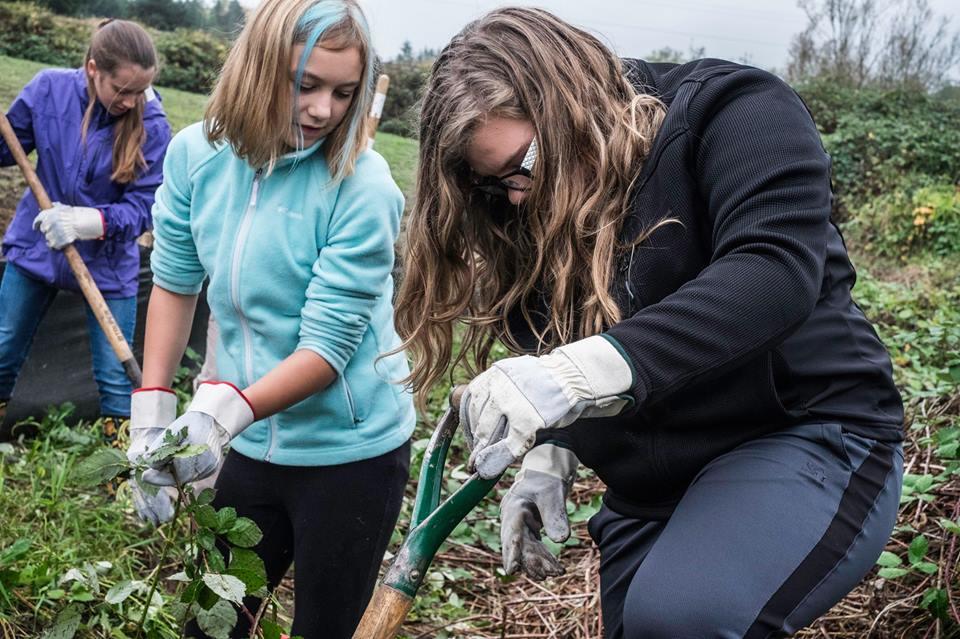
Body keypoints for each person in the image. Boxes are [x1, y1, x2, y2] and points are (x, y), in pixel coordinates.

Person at [394, 7, 905, 638]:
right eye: (494, 186)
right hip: (654, 484)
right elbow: (558, 333)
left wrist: (576, 375)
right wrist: (552, 451)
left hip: (802, 434)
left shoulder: (733, 112)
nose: (516, 198)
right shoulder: (526, 208)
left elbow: (772, 272)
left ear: (569, 100)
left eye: (522, 168)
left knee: (683, 617)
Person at [127, 0, 415, 636]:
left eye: (345, 92)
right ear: (256, 69)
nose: (323, 111)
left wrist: (218, 415)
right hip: (250, 443)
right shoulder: (193, 157)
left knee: (325, 625)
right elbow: (175, 283)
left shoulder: (362, 188)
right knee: (213, 623)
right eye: (305, 84)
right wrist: (152, 416)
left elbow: (327, 348)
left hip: (350, 452)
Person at [0, 19, 170, 435]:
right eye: (122, 90)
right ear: (93, 68)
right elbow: (8, 150)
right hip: (37, 243)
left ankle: (126, 477)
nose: (131, 101)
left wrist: (88, 221)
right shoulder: (48, 91)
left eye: (140, 92)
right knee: (3, 348)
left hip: (108, 261)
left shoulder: (154, 125)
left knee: (116, 375)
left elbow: (146, 208)